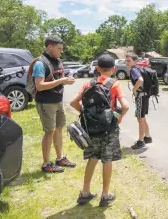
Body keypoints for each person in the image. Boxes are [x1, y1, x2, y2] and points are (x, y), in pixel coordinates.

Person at [70, 54, 129, 207]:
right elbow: (126, 106)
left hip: (91, 129)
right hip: (109, 128)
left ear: (97, 68)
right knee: (107, 159)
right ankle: (105, 194)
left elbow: (73, 102)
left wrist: (83, 114)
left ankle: (85, 192)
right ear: (114, 69)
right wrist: (118, 118)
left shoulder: (89, 84)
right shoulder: (114, 84)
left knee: (93, 158)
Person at [32, 35, 76, 173]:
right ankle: (46, 164)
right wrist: (61, 81)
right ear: (49, 47)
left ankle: (59, 158)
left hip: (57, 101)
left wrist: (66, 79)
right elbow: (39, 86)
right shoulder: (40, 63)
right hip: (46, 103)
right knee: (49, 132)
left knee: (58, 128)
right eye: (59, 48)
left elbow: (57, 78)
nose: (61, 51)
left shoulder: (57, 61)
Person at [125, 52, 152, 149]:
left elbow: (140, 80)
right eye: (126, 61)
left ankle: (141, 141)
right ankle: (147, 137)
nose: (127, 63)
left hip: (141, 96)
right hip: (145, 95)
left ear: (135, 61)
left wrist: (134, 89)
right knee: (143, 117)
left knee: (140, 118)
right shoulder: (137, 68)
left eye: (129, 61)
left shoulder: (133, 70)